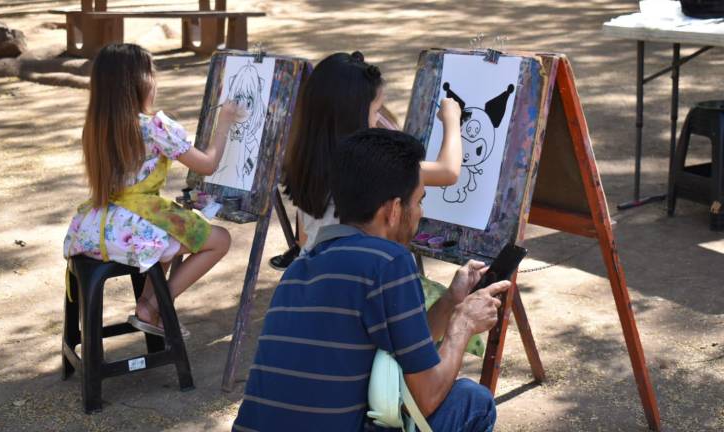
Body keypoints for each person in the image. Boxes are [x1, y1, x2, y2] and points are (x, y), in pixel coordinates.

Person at [233, 128, 510, 431]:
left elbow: (407, 345)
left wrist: (450, 301)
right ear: (393, 210)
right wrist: (463, 325)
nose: (419, 212)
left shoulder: (300, 268)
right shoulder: (389, 261)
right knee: (472, 401)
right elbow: (428, 394)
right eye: (418, 201)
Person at [63, 43, 235, 336]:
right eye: (151, 73)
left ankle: (146, 304)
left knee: (167, 235)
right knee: (220, 240)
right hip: (133, 228)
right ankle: (154, 306)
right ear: (141, 82)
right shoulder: (155, 126)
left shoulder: (95, 126)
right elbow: (207, 165)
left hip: (91, 229)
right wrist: (224, 123)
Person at [268, 51, 462, 270]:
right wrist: (452, 120)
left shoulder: (304, 154)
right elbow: (448, 171)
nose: (378, 119)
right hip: (354, 279)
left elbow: (304, 238)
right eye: (375, 111)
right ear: (353, 116)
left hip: (311, 273)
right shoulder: (368, 162)